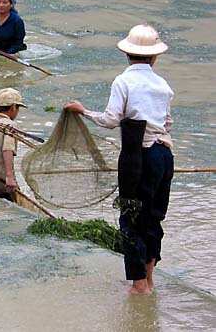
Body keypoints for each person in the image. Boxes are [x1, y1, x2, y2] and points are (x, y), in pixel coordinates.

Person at [64, 24, 174, 295]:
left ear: (127, 54)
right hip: (164, 155)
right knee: (153, 217)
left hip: (139, 156)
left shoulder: (123, 82)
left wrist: (83, 111)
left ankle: (138, 285)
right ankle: (149, 279)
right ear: (154, 57)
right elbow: (167, 123)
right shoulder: (163, 85)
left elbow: (111, 119)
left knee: (131, 217)